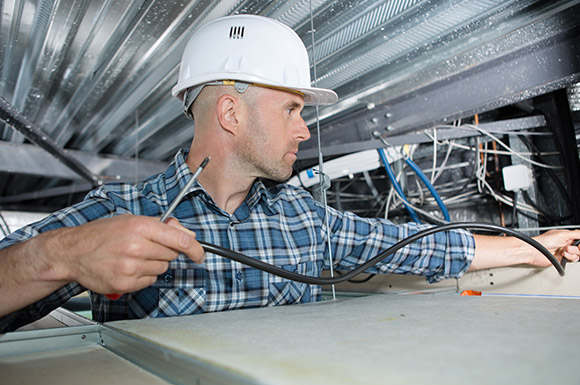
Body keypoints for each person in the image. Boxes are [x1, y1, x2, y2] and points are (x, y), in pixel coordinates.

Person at [0, 15, 579, 333]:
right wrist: (64, 255)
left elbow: (414, 246)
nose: (304, 129)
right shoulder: (119, 210)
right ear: (230, 112)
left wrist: (534, 248)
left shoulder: (302, 217)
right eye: (292, 109)